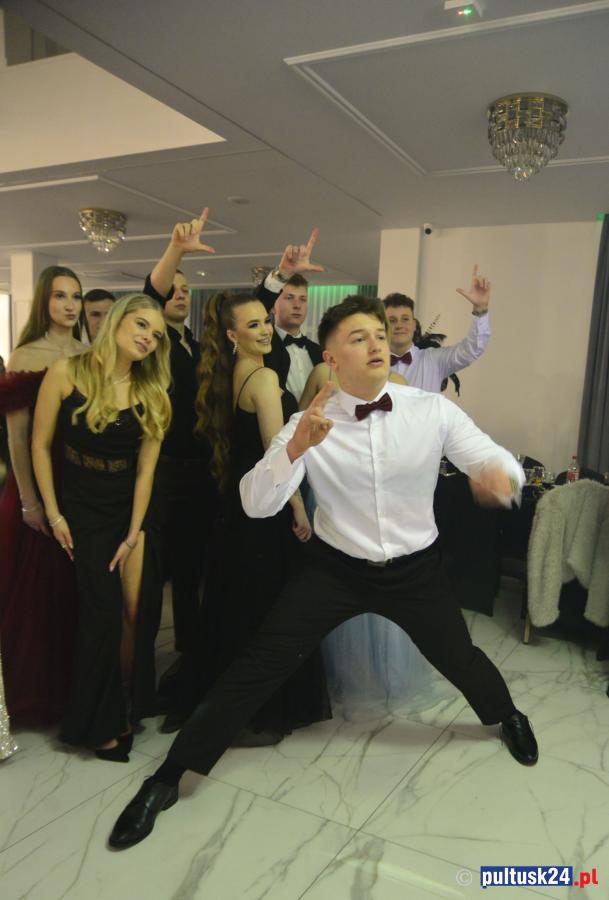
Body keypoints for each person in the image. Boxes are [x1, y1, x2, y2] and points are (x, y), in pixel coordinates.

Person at [109, 295, 537, 850]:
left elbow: (489, 455)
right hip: (335, 572)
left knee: (459, 656)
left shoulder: (431, 411)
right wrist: (293, 451)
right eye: (359, 337)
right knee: (258, 665)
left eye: (379, 334)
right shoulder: (306, 423)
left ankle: (508, 716)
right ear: (330, 358)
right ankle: (167, 778)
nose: (376, 343)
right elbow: (255, 503)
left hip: (415, 571)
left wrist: (502, 478)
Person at [170, 290, 330, 742]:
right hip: (263, 507)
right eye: (253, 324)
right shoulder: (261, 377)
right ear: (232, 334)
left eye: (265, 321)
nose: (264, 330)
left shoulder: (227, 374)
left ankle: (227, 695)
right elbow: (277, 455)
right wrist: (297, 508)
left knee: (236, 603)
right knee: (267, 609)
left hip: (233, 505)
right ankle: (261, 705)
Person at [31, 294, 171, 761]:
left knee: (134, 614)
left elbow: (146, 472)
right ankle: (98, 725)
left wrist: (133, 534)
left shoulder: (153, 391)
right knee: (102, 615)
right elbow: (39, 444)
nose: (148, 338)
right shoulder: (66, 372)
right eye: (141, 325)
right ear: (117, 320)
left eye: (156, 334)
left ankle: (122, 706)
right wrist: (54, 514)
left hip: (130, 509)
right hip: (82, 509)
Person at [142, 210, 219, 732]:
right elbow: (150, 294)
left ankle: (187, 673)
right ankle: (140, 680)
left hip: (199, 475)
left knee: (193, 576)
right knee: (153, 579)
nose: (179, 294)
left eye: (187, 290)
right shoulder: (153, 342)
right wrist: (175, 251)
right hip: (162, 474)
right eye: (174, 287)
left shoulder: (195, 343)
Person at [0, 266, 84, 725]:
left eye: (75, 296)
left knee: (74, 589)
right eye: (59, 296)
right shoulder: (25, 353)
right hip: (34, 478)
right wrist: (29, 501)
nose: (69, 305)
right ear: (43, 302)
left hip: (78, 480)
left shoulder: (87, 351)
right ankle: (37, 694)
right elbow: (17, 438)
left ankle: (76, 687)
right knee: (36, 592)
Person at [386, 264, 491, 392]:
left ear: (414, 325)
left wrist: (480, 310)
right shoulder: (369, 364)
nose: (399, 325)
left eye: (405, 319)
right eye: (392, 320)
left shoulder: (435, 360)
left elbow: (471, 350)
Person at [255, 229, 324, 401]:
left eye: (303, 299)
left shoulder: (319, 351)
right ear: (273, 306)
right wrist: (283, 273)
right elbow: (254, 307)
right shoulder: (260, 344)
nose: (297, 305)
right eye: (289, 298)